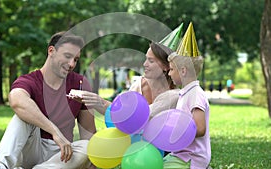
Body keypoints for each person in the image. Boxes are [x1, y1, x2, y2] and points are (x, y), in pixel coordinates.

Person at [0, 31, 96, 169]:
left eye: (75, 59)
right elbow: (16, 100)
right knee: (22, 116)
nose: (71, 64)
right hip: (32, 147)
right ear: (51, 51)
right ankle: (0, 166)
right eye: (67, 56)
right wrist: (54, 131)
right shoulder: (29, 80)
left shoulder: (80, 83)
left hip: (62, 154)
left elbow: (89, 134)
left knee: (89, 147)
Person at [79, 41, 180, 119]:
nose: (145, 64)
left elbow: (140, 116)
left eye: (151, 61)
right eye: (146, 59)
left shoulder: (175, 96)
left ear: (166, 66)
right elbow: (122, 114)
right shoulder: (139, 85)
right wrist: (98, 102)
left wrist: (101, 102)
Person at [164, 22, 211, 169]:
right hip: (181, 154)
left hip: (191, 158)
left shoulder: (196, 95)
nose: (169, 73)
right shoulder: (186, 93)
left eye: (172, 69)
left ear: (183, 71)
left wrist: (176, 132)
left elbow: (200, 128)